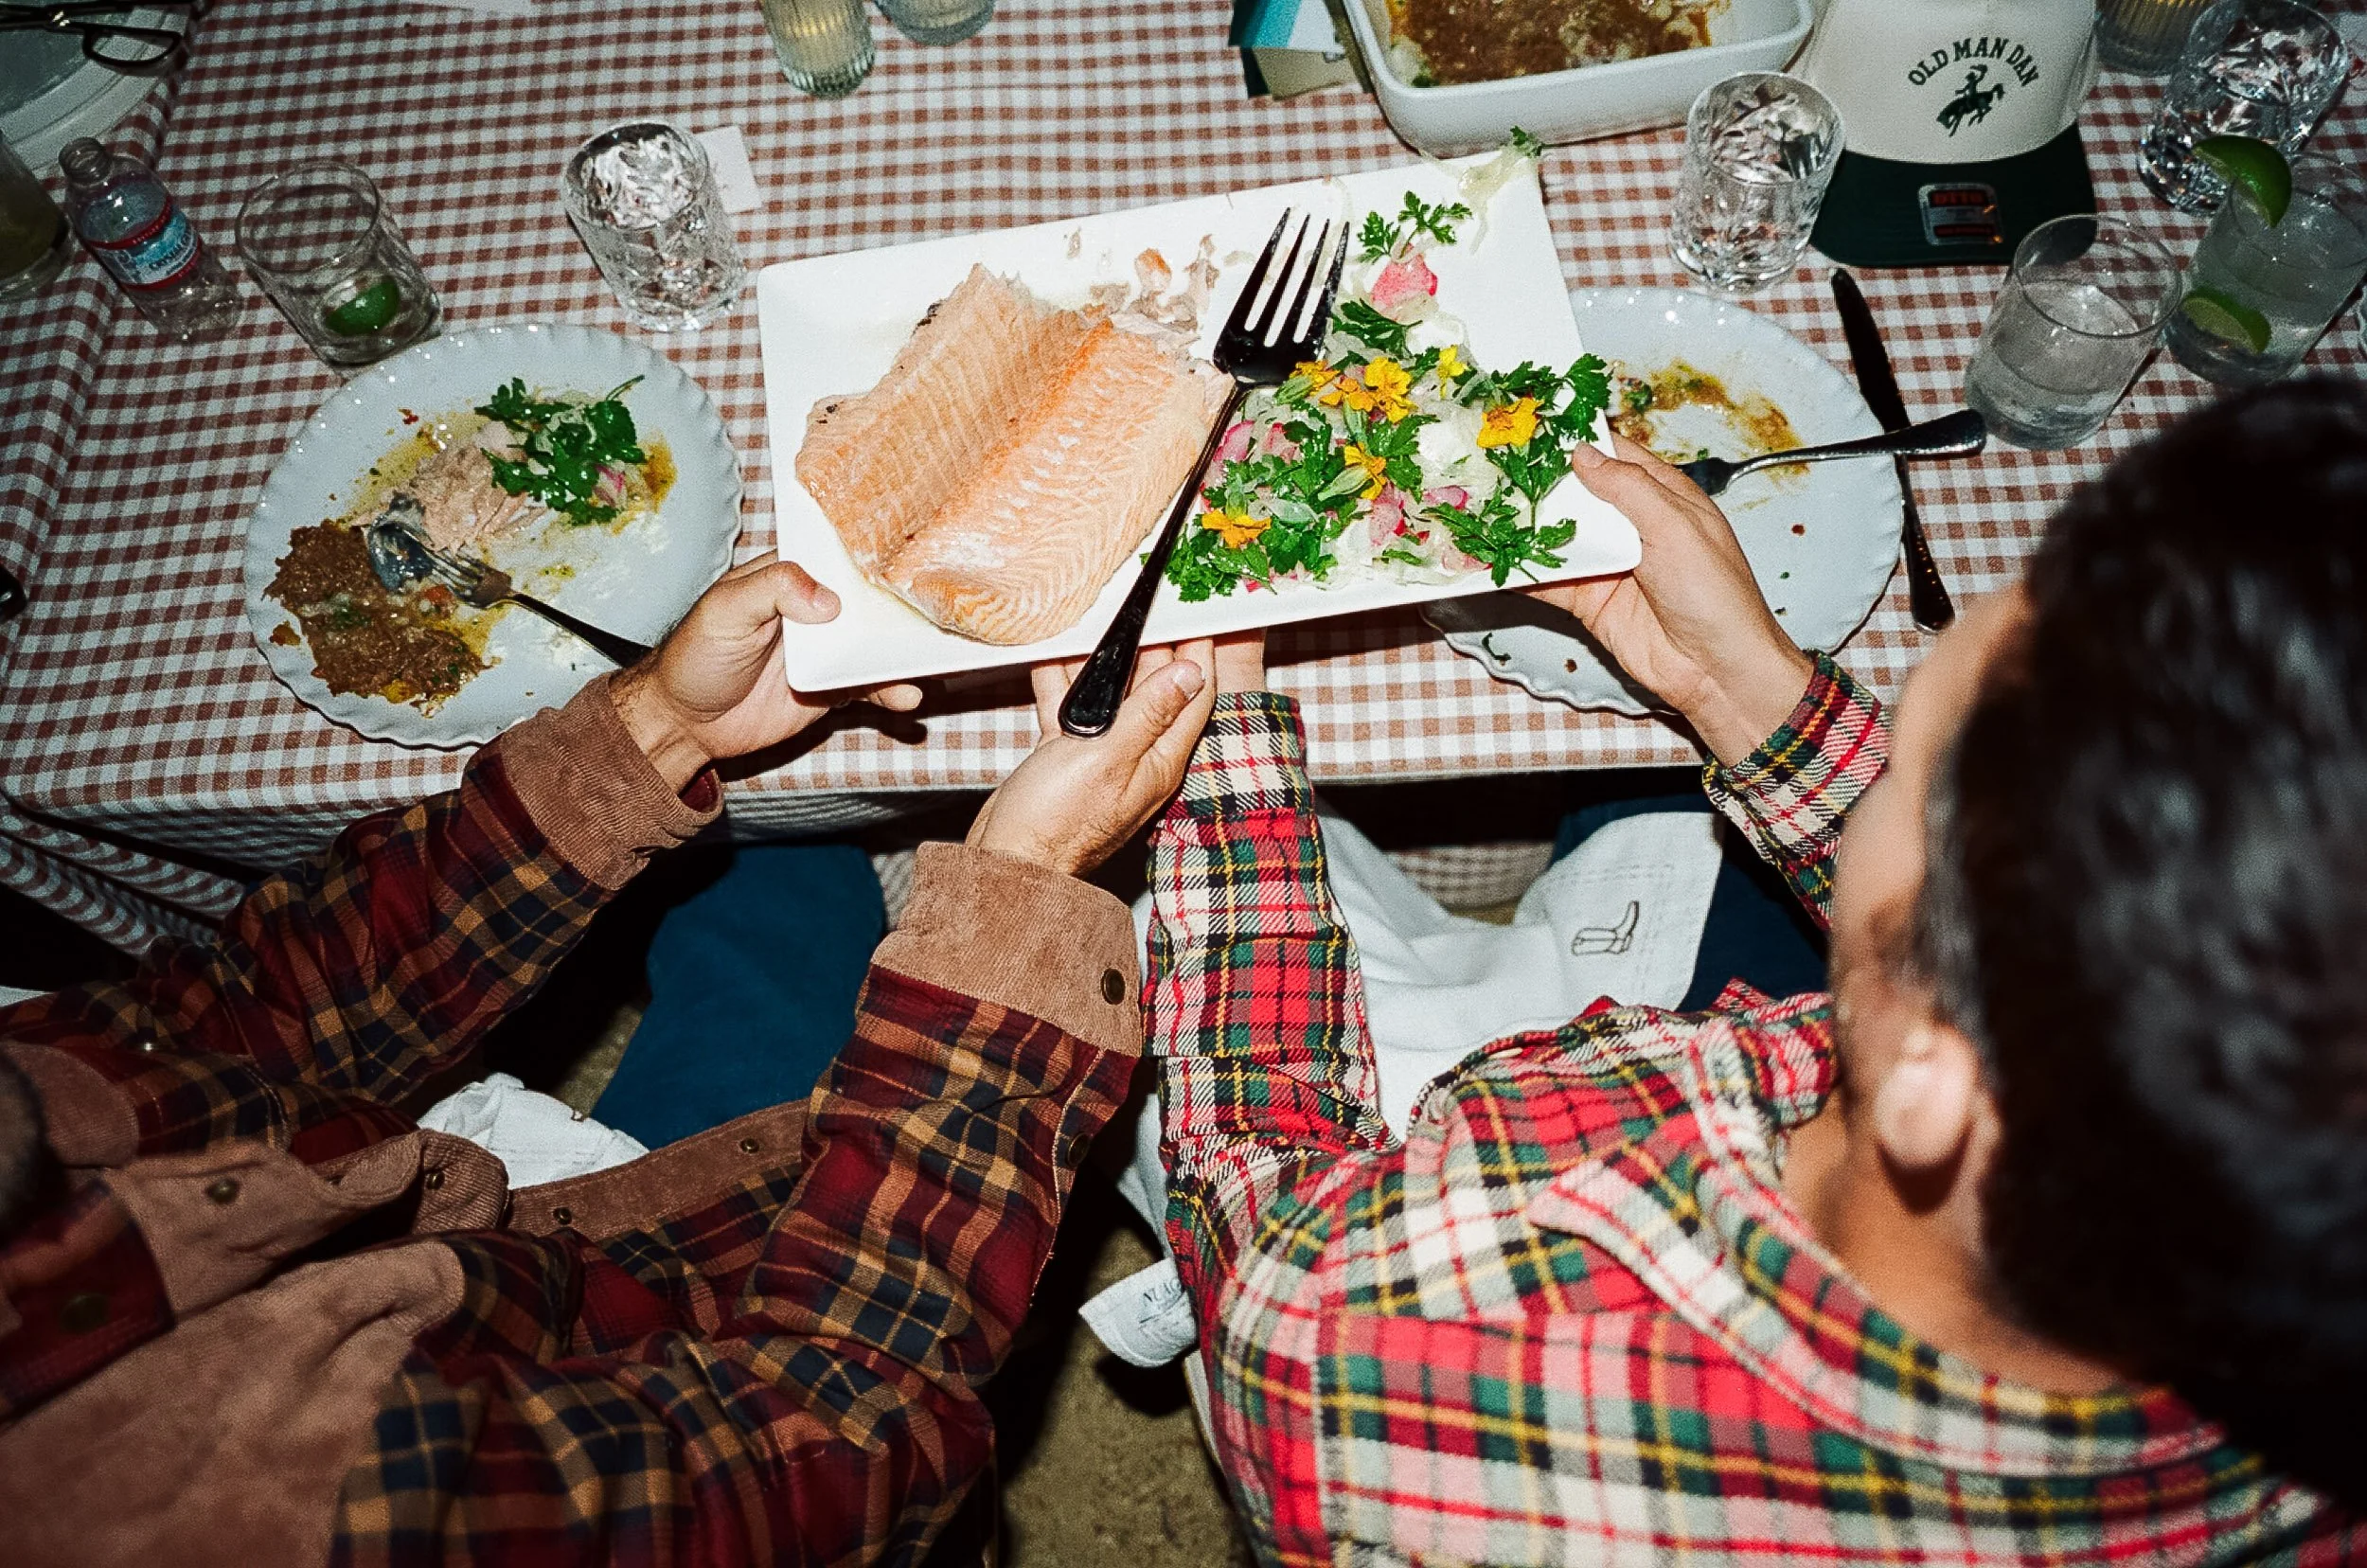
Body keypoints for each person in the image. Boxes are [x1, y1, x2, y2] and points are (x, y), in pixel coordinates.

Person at [1147, 379, 2367, 1562]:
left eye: (1907, 769)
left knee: (1160, 951)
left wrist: (1222, 738)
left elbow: (1261, 1223)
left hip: (1377, 1195)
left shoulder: (1381, 1360)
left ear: (1933, 1082)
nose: (1877, 769)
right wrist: (1734, 680)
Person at [0, 553, 1225, 1567]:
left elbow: (245, 1019)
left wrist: (654, 728)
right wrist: (1018, 899)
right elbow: (847, 1441)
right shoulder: (249, 1515)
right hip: (749, 1394)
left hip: (550, 1237)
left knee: (773, 858)